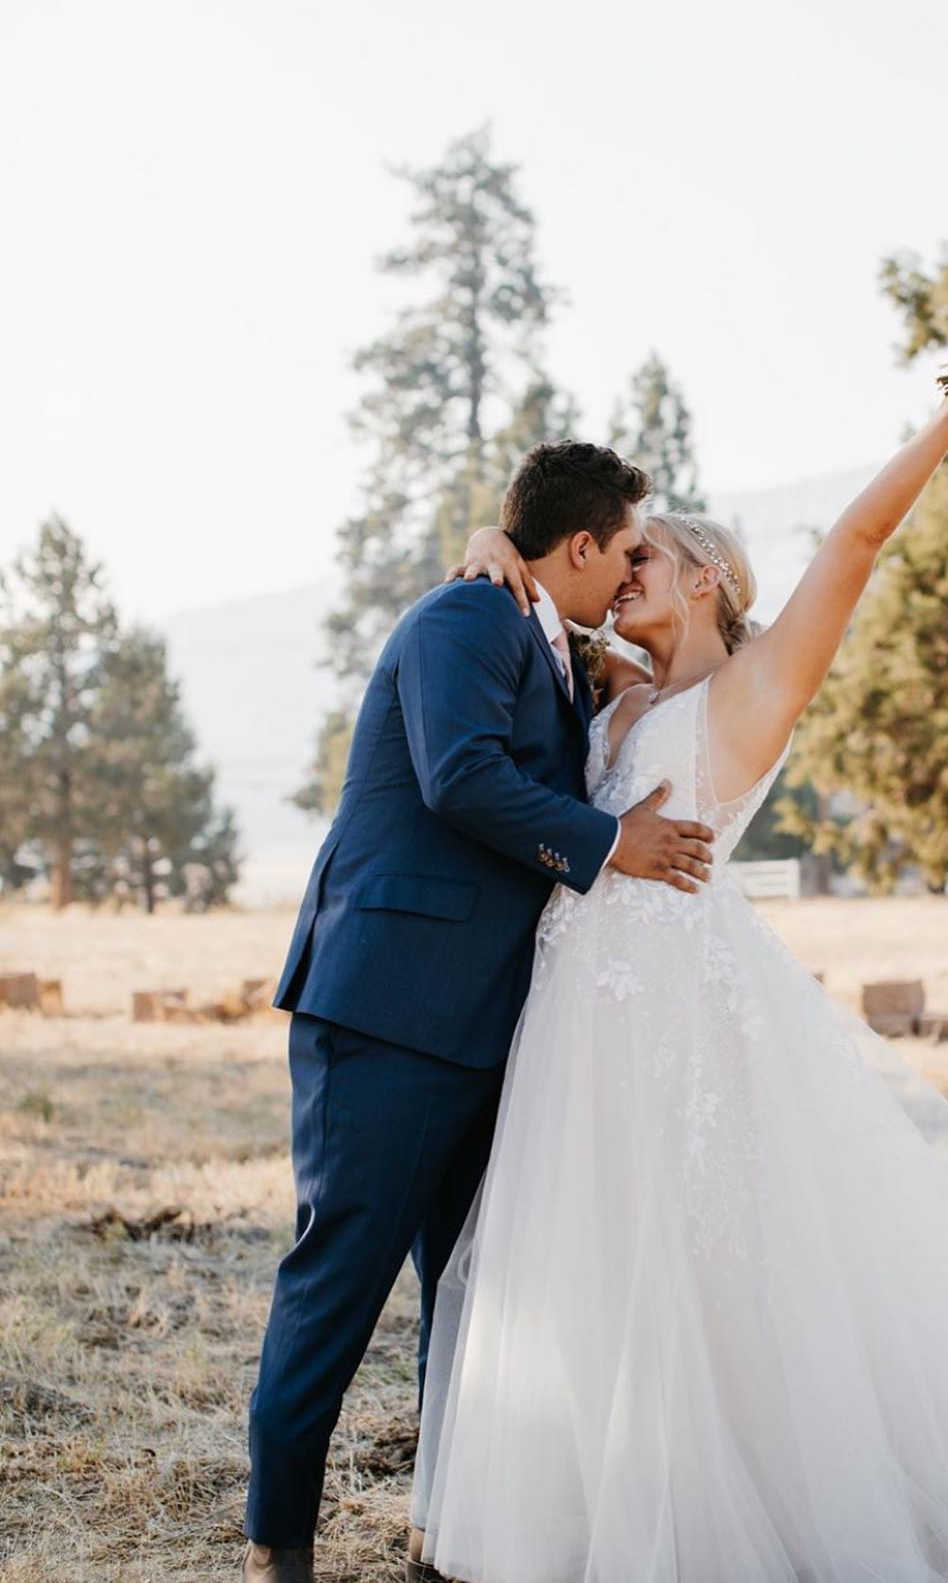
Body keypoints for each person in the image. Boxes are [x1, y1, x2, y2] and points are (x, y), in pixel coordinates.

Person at [409, 327, 948, 1583]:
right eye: (615, 552)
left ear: (703, 576)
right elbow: (530, 591)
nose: (620, 567)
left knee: (711, 1263)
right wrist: (494, 548)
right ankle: (600, 1508)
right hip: (576, 1025)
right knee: (597, 1266)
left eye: (643, 553)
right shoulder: (616, 695)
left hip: (683, 1019)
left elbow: (856, 545)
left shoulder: (751, 694)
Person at [243, 443, 718, 1583]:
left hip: (488, 1028)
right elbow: (456, 775)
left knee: (467, 1292)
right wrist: (614, 844)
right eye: (624, 552)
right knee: (340, 1278)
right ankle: (279, 1542)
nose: (630, 575)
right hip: (392, 1009)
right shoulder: (469, 618)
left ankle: (445, 1528)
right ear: (582, 544)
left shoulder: (551, 645)